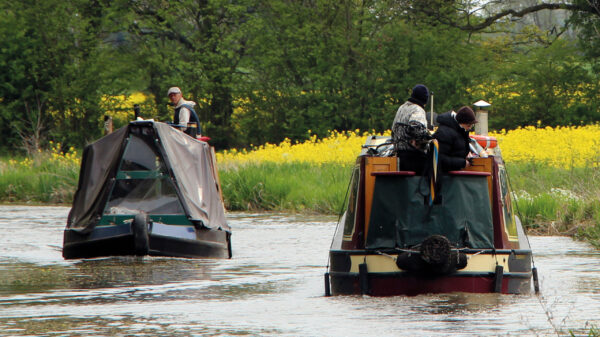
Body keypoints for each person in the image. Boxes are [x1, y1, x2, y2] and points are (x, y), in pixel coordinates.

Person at [433, 106, 478, 171]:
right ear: (461, 122)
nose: (470, 128)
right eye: (469, 125)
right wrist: (462, 163)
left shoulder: (461, 131)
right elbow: (441, 159)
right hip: (445, 175)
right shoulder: (444, 133)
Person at [391, 84, 430, 151]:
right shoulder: (418, 109)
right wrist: (428, 137)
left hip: (398, 151)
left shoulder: (402, 107)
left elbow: (394, 129)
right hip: (412, 153)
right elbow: (417, 131)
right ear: (425, 99)